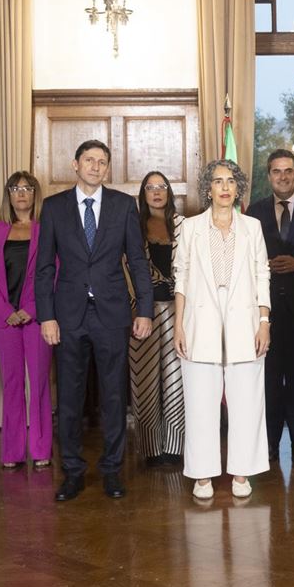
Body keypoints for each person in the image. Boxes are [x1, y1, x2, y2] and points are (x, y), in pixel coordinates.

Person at [35, 139, 153, 501]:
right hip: (68, 316)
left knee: (114, 397)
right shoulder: (54, 207)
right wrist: (47, 317)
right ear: (75, 164)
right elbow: (42, 269)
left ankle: (111, 471)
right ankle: (71, 472)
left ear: (107, 168)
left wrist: (144, 310)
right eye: (89, 160)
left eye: (102, 162)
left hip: (113, 315)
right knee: (69, 399)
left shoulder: (122, 205)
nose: (95, 167)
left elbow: (137, 260)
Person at [173, 160, 271, 498]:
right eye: (218, 181)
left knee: (247, 400)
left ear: (238, 187)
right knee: (200, 401)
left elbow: (262, 275)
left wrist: (264, 321)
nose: (225, 187)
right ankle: (202, 474)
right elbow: (181, 278)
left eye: (231, 180)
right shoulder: (190, 228)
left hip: (245, 320)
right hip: (200, 320)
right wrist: (179, 325)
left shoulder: (253, 227)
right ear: (208, 189)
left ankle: (242, 472)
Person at [245, 150, 294, 463]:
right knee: (270, 378)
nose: (283, 177)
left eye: (288, 171)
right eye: (277, 171)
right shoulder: (254, 212)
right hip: (265, 309)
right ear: (269, 175)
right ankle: (270, 442)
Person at [0, 171, 52, 470]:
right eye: (15, 188)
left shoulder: (46, 229)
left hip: (37, 319)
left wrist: (32, 309)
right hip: (4, 319)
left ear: (35, 194)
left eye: (27, 188)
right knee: (11, 384)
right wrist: (6, 310)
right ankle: (12, 452)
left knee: (39, 384)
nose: (21, 193)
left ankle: (40, 449)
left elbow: (53, 272)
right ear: (8, 194)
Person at [129, 171, 186, 466]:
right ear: (143, 192)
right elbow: (125, 269)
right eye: (150, 187)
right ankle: (150, 448)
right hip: (143, 314)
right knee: (145, 382)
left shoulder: (184, 225)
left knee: (177, 380)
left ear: (168, 192)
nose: (156, 192)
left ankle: (175, 447)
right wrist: (137, 308)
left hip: (179, 312)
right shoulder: (133, 226)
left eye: (161, 186)